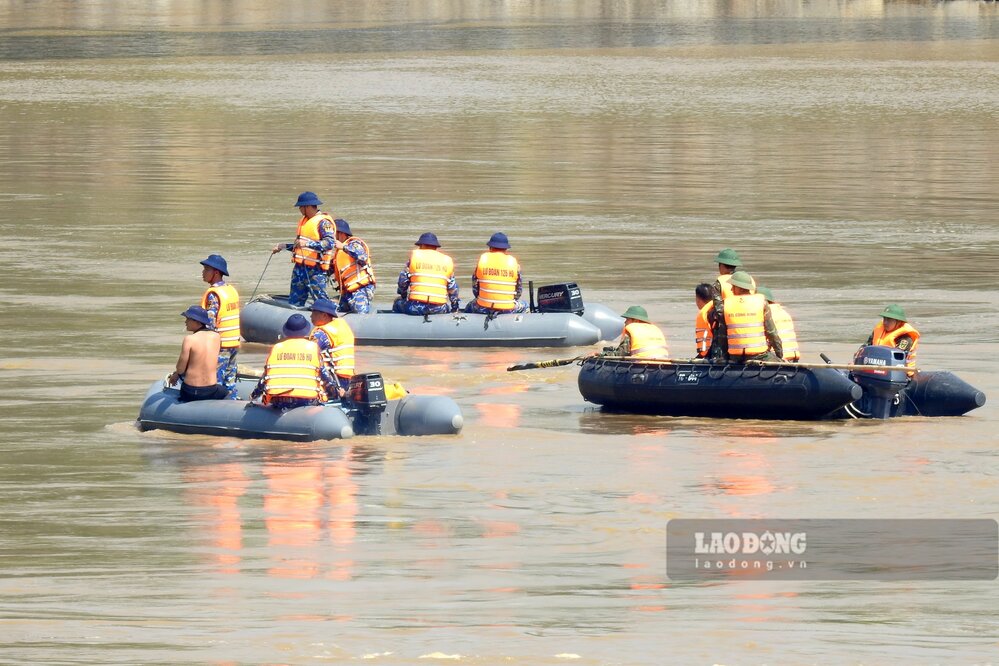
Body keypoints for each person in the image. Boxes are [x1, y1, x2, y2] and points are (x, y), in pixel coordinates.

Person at [250, 314, 335, 410]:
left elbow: (265, 377)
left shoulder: (277, 348)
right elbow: (325, 376)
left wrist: (254, 395)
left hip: (279, 401)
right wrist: (334, 392)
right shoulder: (313, 348)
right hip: (306, 401)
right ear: (305, 331)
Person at [271, 191, 336, 307]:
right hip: (300, 269)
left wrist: (307, 244)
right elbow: (299, 246)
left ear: (307, 206)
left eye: (300, 207)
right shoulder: (304, 221)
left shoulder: (323, 223)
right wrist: (284, 246)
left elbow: (329, 243)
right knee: (294, 302)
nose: (299, 209)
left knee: (321, 303)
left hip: (316, 271)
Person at [707, 271, 782, 363]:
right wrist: (779, 356)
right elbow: (772, 333)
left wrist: (726, 358)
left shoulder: (726, 304)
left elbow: (722, 336)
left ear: (739, 288)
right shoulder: (761, 302)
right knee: (776, 359)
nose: (731, 289)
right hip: (759, 356)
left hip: (735, 357)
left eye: (733, 286)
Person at [199, 254, 240, 398]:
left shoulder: (213, 294)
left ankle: (216, 408)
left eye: (206, 269)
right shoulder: (231, 290)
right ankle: (231, 401)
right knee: (230, 379)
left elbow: (210, 322)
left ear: (216, 272)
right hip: (234, 342)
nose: (203, 273)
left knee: (216, 379)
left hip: (220, 344)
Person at [168, 306, 228, 402]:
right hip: (211, 391)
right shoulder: (217, 337)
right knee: (225, 391)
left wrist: (175, 374)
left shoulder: (189, 339)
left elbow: (180, 369)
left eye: (188, 319)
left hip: (190, 392)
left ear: (197, 322)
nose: (185, 322)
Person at [392, 232, 460, 315]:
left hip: (415, 307)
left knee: (397, 303)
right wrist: (454, 307)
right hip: (439, 308)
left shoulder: (414, 258)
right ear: (435, 247)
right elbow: (453, 289)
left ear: (423, 245)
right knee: (447, 307)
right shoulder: (447, 261)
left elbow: (402, 282)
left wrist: (403, 295)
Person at [464, 232, 529, 315]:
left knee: (470, 305)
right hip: (508, 309)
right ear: (506, 249)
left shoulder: (482, 260)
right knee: (526, 305)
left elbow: (475, 288)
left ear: (490, 247)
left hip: (483, 308)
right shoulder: (514, 263)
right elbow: (518, 291)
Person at [309, 298, 356, 398]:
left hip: (335, 381)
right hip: (347, 379)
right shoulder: (341, 326)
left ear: (324, 315)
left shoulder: (322, 334)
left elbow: (308, 355)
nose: (310, 316)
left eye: (314, 313)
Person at [329, 217, 376, 314]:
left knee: (360, 313)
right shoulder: (338, 253)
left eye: (333, 234)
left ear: (341, 233)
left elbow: (362, 256)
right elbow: (328, 270)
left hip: (361, 290)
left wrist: (343, 247)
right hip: (347, 294)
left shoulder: (354, 244)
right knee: (328, 307)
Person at [866, 304, 919, 370]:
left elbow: (897, 358)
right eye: (884, 319)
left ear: (898, 322)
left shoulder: (905, 338)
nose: (885, 322)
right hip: (875, 369)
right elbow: (866, 346)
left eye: (889, 320)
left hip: (900, 373)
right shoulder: (878, 330)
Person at [757, 286, 800, 362]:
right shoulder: (784, 312)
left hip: (777, 358)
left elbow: (771, 337)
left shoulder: (766, 313)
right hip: (793, 356)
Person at [694, 282, 714, 358]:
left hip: (709, 355)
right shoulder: (719, 308)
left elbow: (704, 350)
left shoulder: (704, 314)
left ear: (698, 299)